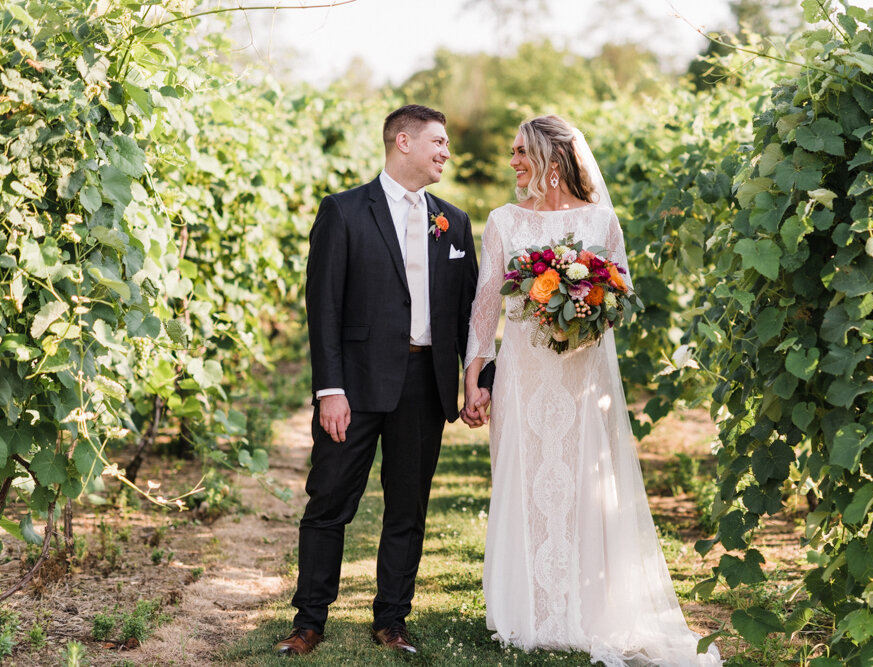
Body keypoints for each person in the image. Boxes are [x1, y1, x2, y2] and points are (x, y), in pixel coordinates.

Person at [462, 115, 723, 666]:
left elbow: (619, 293)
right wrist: (474, 375)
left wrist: (583, 312)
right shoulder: (502, 221)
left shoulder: (602, 220)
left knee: (584, 481)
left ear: (551, 162)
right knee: (525, 480)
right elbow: (485, 307)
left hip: (583, 375)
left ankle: (586, 607)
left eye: (520, 153)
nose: (512, 163)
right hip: (523, 374)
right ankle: (527, 609)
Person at [275, 104, 494, 657]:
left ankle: (392, 620)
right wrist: (330, 389)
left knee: (408, 508)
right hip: (355, 385)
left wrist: (478, 379)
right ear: (403, 141)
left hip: (426, 385)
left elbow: (475, 312)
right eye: (438, 142)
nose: (446, 152)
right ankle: (308, 622)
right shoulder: (344, 211)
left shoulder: (454, 221)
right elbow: (322, 307)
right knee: (328, 503)